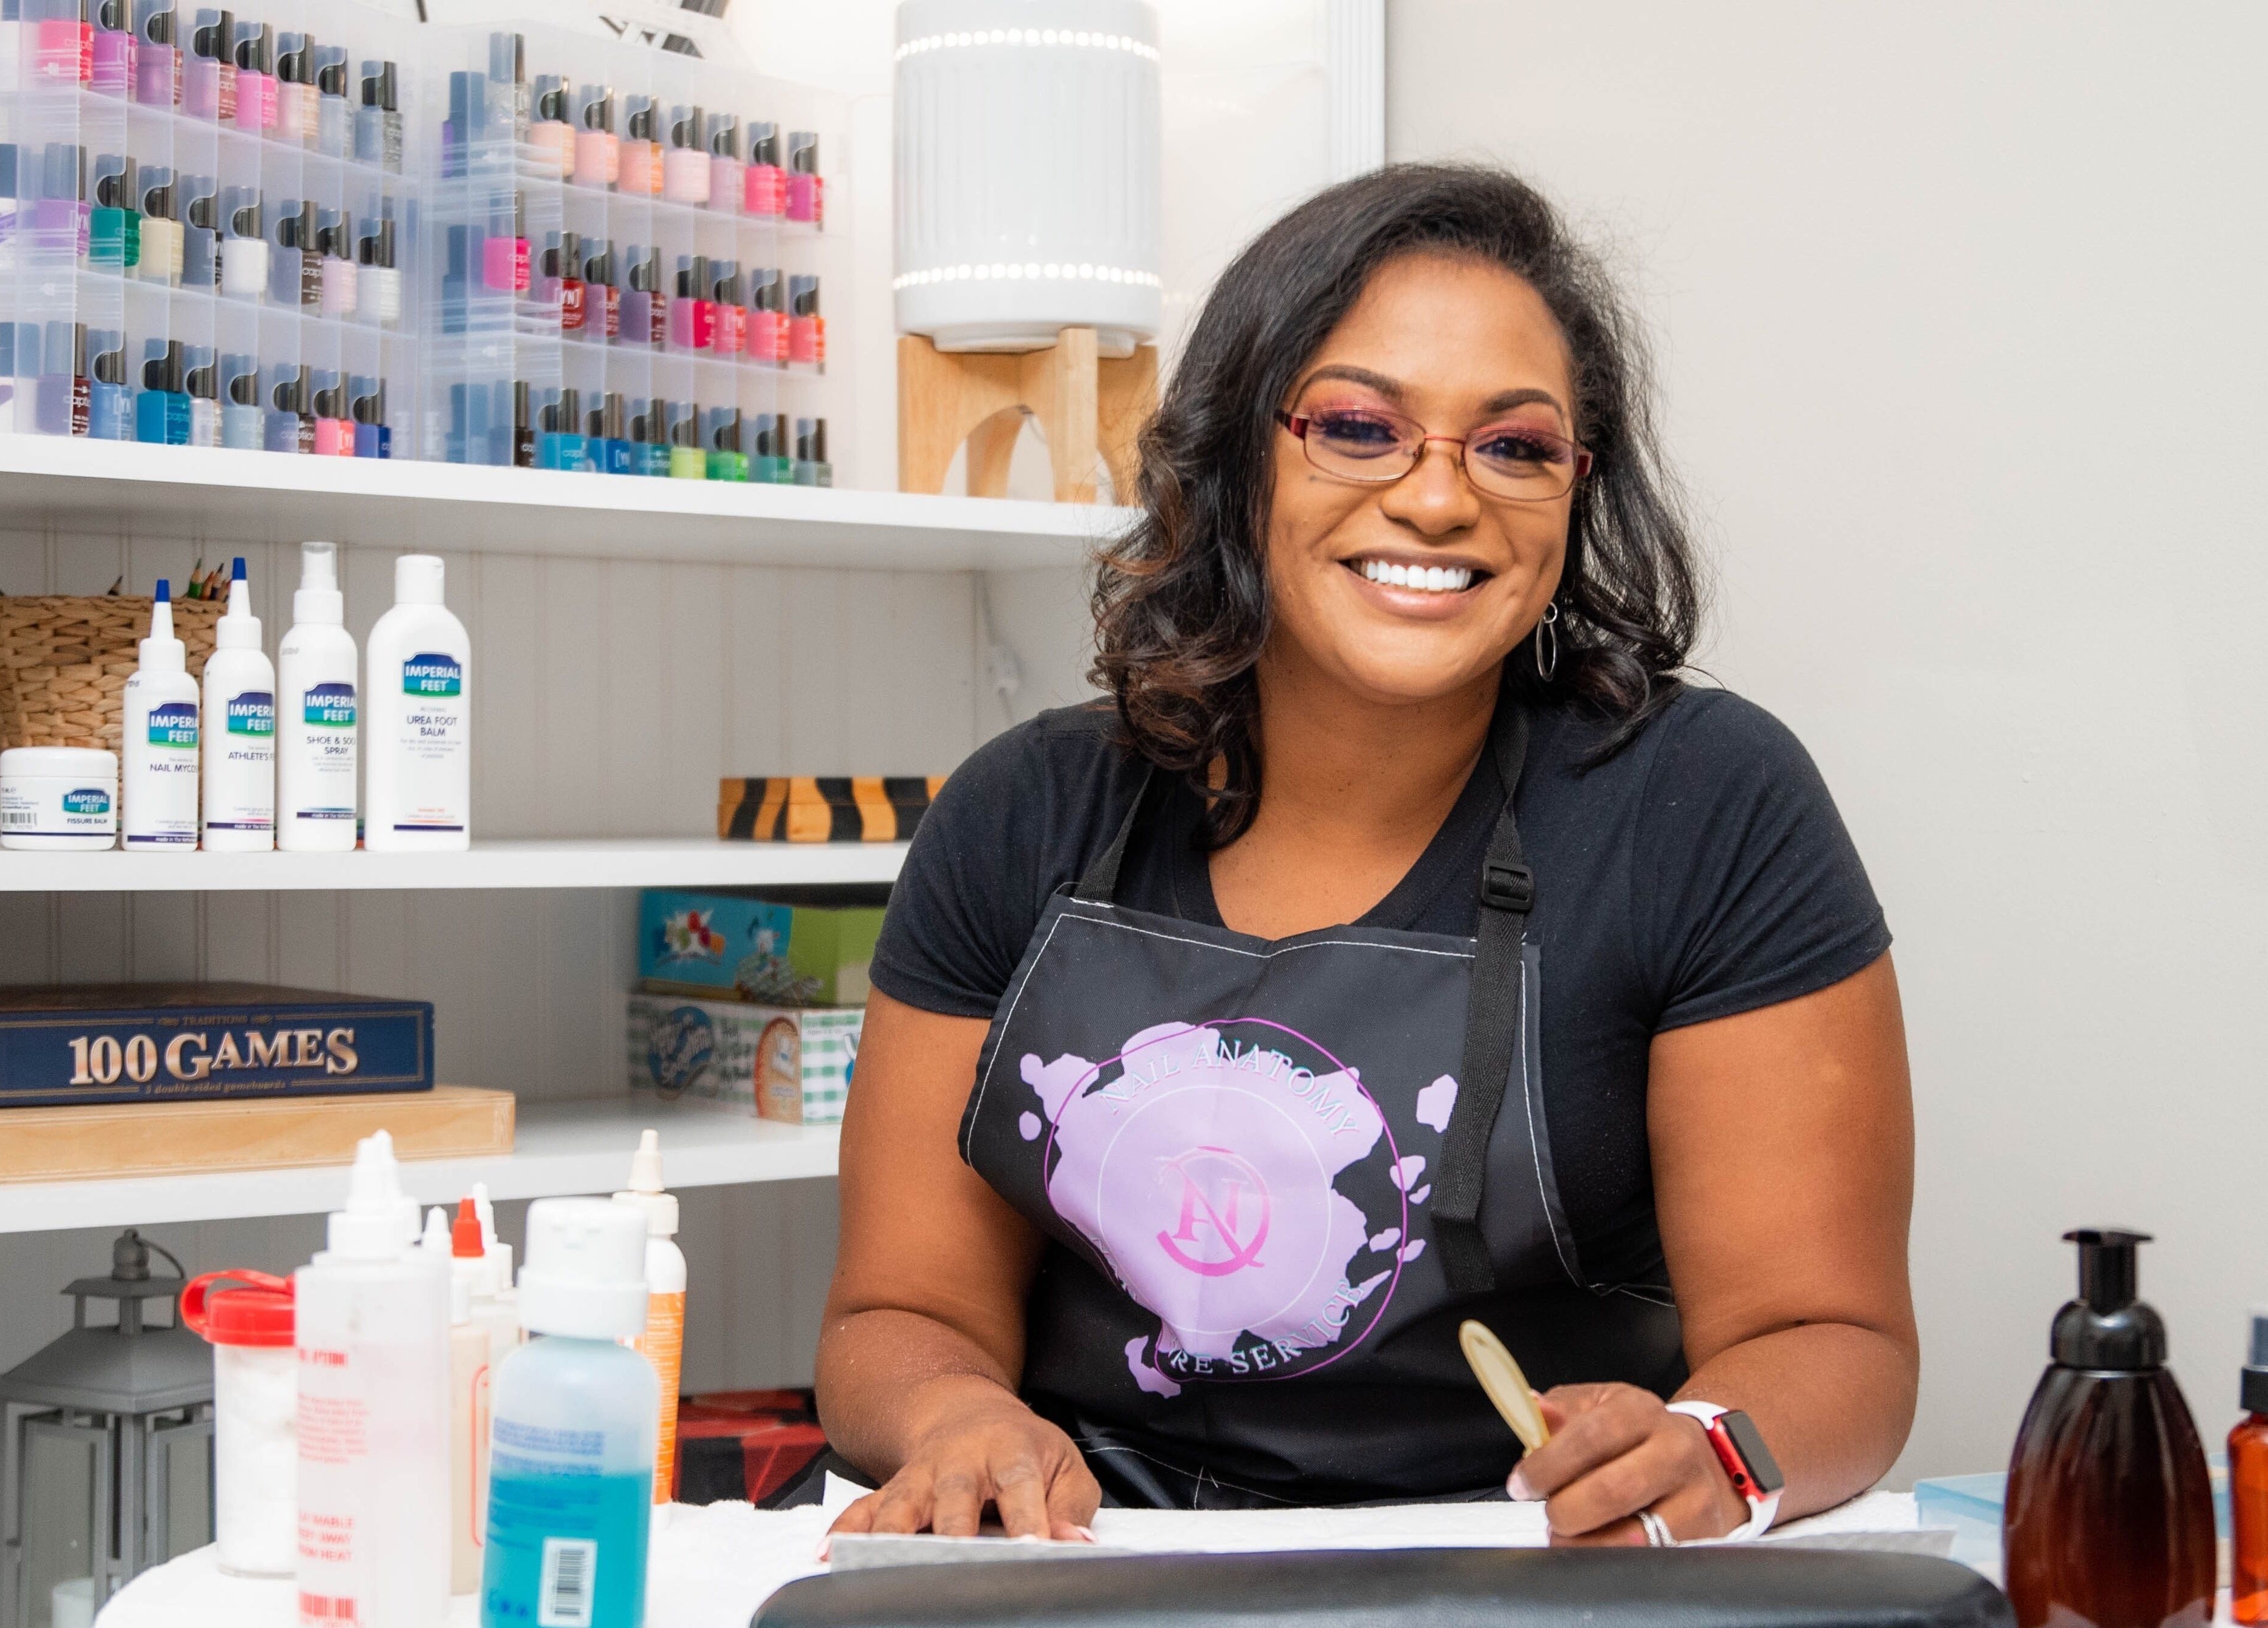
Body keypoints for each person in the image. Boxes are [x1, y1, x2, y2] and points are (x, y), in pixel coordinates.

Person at [815, 163, 1915, 1545]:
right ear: (1233, 456)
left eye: (1512, 446)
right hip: (1096, 1550)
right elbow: (897, 1313)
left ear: (1573, 492)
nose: (1441, 499)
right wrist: (953, 1421)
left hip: (1530, 1561)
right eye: (1357, 427)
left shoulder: (1701, 804)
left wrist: (1713, 1454)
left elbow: (1829, 1337)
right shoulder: (1023, 813)